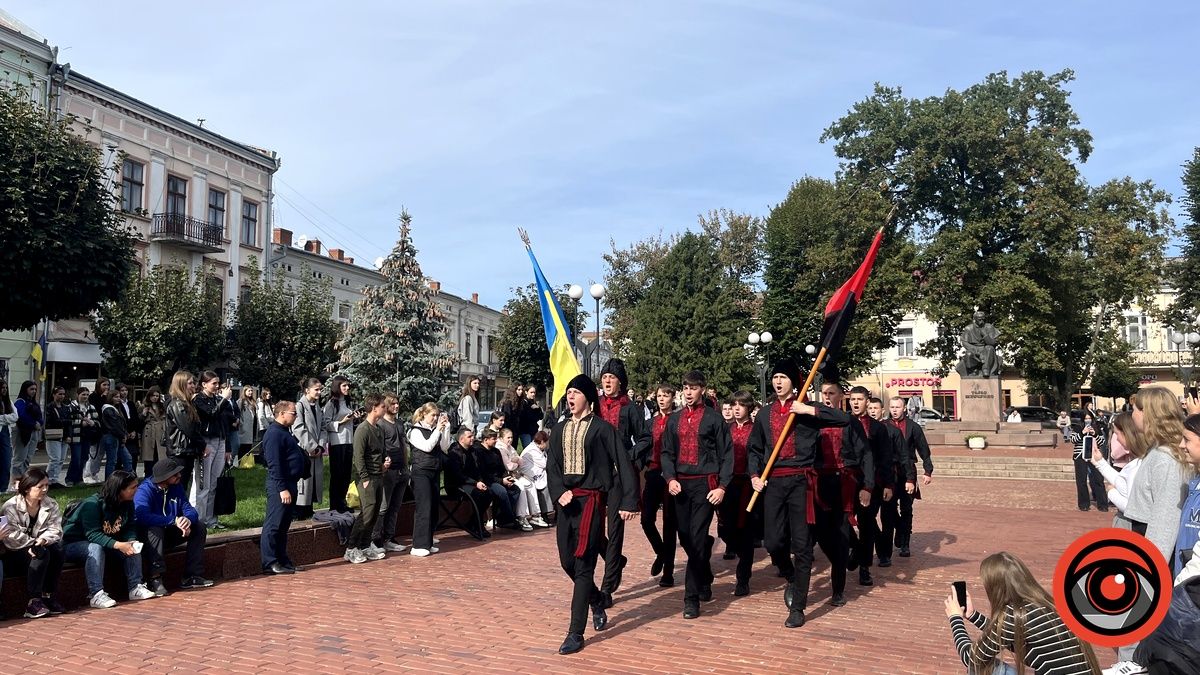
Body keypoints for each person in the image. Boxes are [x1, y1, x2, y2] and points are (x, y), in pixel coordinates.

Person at [748, 358, 852, 629]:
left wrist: (808, 410)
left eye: (783, 377)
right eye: (775, 377)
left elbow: (843, 419)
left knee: (803, 545)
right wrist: (755, 476)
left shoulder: (806, 409)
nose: (778, 381)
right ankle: (790, 575)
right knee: (773, 542)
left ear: (794, 381)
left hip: (802, 483)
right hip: (774, 483)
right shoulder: (764, 413)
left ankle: (798, 607)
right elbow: (755, 449)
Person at [547, 373, 639, 655]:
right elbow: (552, 466)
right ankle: (597, 599)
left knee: (584, 563)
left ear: (588, 397)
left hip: (591, 502)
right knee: (566, 562)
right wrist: (558, 490)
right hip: (566, 503)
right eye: (568, 393)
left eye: (575, 392)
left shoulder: (602, 429)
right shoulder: (560, 430)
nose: (570, 397)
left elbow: (623, 464)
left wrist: (629, 501)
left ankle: (575, 632)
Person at [945, 551, 1099, 674]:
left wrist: (955, 618)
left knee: (980, 669)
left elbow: (971, 658)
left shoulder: (1014, 613)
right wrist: (973, 616)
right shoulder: (1045, 603)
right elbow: (1011, 642)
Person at [661, 370, 733, 619]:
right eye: (686, 387)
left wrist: (722, 487)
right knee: (688, 538)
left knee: (696, 535)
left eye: (693, 388)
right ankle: (706, 576)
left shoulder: (714, 419)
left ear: (702, 389)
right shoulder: (674, 420)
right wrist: (670, 478)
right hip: (680, 485)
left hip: (705, 484)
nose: (688, 392)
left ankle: (691, 598)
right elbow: (666, 453)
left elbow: (726, 455)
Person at [594, 357, 652, 609]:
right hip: (595, 473)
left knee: (614, 527)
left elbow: (644, 438)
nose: (607, 380)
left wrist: (627, 456)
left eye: (612, 377)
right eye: (605, 376)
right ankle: (616, 559)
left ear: (620, 382)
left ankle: (607, 587)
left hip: (619, 473)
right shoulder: (594, 406)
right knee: (593, 527)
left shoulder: (630, 408)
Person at [813, 382, 872, 603]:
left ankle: (838, 590)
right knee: (821, 534)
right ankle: (854, 549)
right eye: (824, 393)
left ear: (841, 396)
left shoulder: (850, 423)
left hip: (845, 482)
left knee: (841, 534)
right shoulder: (814, 421)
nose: (827, 397)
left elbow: (866, 455)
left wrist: (867, 486)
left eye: (832, 393)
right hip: (819, 482)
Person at [62, 471, 155, 608]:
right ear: (119, 489)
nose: (137, 490)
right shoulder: (92, 505)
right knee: (95, 547)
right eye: (133, 487)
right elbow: (93, 535)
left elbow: (130, 526)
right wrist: (118, 545)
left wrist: (131, 540)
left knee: (133, 546)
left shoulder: (127, 503)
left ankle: (136, 587)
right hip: (74, 545)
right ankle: (96, 594)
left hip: (107, 542)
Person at [1125, 387, 1191, 571]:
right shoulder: (1158, 450)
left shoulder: (1166, 458)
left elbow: (1166, 518)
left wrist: (1150, 570)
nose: (1132, 415)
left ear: (1148, 414)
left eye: (1136, 410)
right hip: (1145, 539)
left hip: (1154, 547)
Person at [134, 458, 213, 594]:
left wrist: (187, 520)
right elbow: (142, 516)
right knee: (155, 529)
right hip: (149, 538)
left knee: (199, 527)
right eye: (175, 474)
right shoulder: (144, 491)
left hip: (170, 533)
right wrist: (173, 520)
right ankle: (155, 578)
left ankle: (192, 576)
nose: (179, 476)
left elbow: (189, 509)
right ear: (164, 477)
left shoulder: (176, 487)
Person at [1, 468, 66, 617]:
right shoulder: (10, 507)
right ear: (27, 488)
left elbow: (56, 529)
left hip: (40, 545)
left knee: (58, 550)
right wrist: (33, 544)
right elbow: (11, 536)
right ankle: (33, 602)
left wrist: (42, 540)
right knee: (41, 553)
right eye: (40, 486)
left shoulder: (51, 504)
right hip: (15, 552)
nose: (45, 490)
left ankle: (48, 596)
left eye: (47, 485)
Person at [846, 386, 892, 588]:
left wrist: (888, 484)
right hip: (847, 482)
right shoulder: (843, 423)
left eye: (859, 399)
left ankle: (864, 568)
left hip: (870, 484)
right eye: (852, 399)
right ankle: (855, 549)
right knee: (841, 521)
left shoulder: (878, 428)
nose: (855, 403)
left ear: (867, 401)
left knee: (867, 524)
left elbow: (885, 458)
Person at [260, 400, 307, 574]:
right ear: (281, 414)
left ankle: (282, 559)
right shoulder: (273, 434)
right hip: (280, 484)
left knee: (283, 525)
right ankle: (269, 562)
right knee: (274, 524)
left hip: (290, 482)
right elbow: (274, 464)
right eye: (293, 413)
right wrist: (281, 488)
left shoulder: (284, 432)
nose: (295, 416)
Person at [885, 396, 934, 557]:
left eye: (897, 407)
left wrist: (927, 471)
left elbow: (923, 450)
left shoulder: (913, 427)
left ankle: (905, 543)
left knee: (906, 509)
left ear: (904, 408)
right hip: (890, 474)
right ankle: (899, 528)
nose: (894, 410)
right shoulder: (883, 426)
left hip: (908, 474)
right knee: (889, 508)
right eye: (892, 407)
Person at [869, 396, 913, 569]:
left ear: (882, 411)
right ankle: (878, 545)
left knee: (887, 519)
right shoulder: (862, 429)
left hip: (889, 481)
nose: (872, 411)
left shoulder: (893, 431)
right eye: (870, 408)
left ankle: (885, 554)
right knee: (867, 518)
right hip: (869, 482)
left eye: (876, 408)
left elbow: (904, 456)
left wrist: (910, 478)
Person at [642, 383, 679, 588]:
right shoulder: (651, 422)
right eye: (659, 395)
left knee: (669, 523)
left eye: (666, 395)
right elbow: (644, 444)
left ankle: (668, 571)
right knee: (646, 519)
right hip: (653, 472)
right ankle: (661, 552)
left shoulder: (678, 420)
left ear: (673, 398)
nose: (662, 399)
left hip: (671, 475)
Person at [344, 393, 389, 564]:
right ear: (374, 408)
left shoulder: (378, 429)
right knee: (367, 514)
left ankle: (364, 545)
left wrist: (385, 463)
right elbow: (359, 457)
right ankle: (351, 548)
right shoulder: (363, 430)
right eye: (383, 406)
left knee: (374, 512)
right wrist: (364, 477)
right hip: (367, 478)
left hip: (378, 476)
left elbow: (379, 453)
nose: (385, 409)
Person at [1089, 412, 1149, 529]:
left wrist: (1112, 493)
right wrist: (1099, 462)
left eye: (1117, 435)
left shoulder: (1139, 465)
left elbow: (1133, 507)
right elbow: (1122, 482)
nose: (1116, 440)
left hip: (1132, 526)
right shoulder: (1136, 462)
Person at [407, 403, 450, 557]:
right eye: (433, 415)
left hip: (434, 471)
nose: (435, 419)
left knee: (433, 507)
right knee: (423, 507)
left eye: (437, 416)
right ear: (424, 414)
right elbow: (427, 447)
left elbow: (444, 446)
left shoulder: (435, 430)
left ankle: (428, 541)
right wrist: (438, 430)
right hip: (421, 472)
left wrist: (446, 428)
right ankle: (418, 545)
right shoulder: (415, 431)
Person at [373, 395, 411, 552]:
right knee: (383, 507)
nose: (396, 406)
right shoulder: (381, 424)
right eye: (393, 404)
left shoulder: (400, 424)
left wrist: (406, 465)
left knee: (395, 506)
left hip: (402, 468)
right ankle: (375, 538)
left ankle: (389, 536)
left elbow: (403, 445)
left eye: (397, 403)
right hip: (388, 470)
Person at [191, 371, 228, 530]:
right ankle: (198, 520)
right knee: (202, 484)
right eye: (214, 383)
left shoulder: (218, 399)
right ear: (204, 384)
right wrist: (224, 400)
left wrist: (229, 448)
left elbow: (224, 421)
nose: (217, 386)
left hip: (220, 440)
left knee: (214, 483)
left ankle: (211, 519)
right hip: (206, 441)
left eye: (218, 382)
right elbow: (210, 415)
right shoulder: (198, 399)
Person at [293, 377, 333, 520]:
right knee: (303, 483)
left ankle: (309, 508)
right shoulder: (300, 406)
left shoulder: (317, 407)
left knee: (314, 481)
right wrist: (311, 446)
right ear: (307, 390)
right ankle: (299, 511)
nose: (319, 393)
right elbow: (298, 428)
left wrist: (320, 446)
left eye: (320, 390)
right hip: (304, 450)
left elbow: (323, 427)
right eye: (316, 390)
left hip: (316, 451)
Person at [324, 375, 360, 514]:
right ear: (337, 386)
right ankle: (335, 504)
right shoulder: (332, 403)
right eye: (344, 386)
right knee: (337, 474)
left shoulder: (348, 402)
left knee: (346, 474)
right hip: (337, 442)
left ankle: (342, 502)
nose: (347, 388)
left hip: (348, 441)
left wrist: (354, 419)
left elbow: (350, 422)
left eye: (348, 386)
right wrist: (341, 422)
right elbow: (326, 423)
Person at [164, 371, 202, 491]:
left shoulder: (187, 403)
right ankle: (174, 510)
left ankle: (178, 509)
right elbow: (189, 429)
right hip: (179, 452)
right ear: (181, 385)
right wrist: (203, 445)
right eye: (190, 383)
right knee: (177, 487)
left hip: (186, 451)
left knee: (182, 487)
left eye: (193, 383)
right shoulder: (177, 404)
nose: (193, 386)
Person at [1175, 414, 1200, 574]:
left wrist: (1178, 590)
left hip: (1190, 590)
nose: (1181, 445)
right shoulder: (1194, 482)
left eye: (1187, 440)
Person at [1070, 411, 1109, 512]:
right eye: (1086, 419)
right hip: (1080, 456)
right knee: (1081, 481)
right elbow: (1073, 440)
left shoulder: (1096, 428)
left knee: (1098, 480)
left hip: (1094, 456)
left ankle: (1103, 504)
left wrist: (1094, 434)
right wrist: (1082, 432)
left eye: (1089, 418)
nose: (1088, 421)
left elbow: (1102, 442)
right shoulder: (1077, 427)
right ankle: (1084, 504)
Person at [517, 430, 553, 526]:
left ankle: (545, 514)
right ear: (542, 442)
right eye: (546, 442)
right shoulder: (532, 450)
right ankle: (542, 515)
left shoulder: (539, 449)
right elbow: (545, 464)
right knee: (546, 485)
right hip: (528, 475)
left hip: (536, 472)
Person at [12, 380, 43, 487]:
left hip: (34, 432)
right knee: (19, 459)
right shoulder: (20, 402)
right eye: (31, 389)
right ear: (25, 389)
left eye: (35, 389)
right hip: (23, 432)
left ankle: (23, 481)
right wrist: (33, 424)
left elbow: (40, 416)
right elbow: (20, 416)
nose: (34, 391)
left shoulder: (34, 402)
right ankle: (16, 482)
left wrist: (39, 423)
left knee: (27, 459)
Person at [99, 389, 131, 480]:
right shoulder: (108, 409)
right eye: (116, 397)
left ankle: (128, 480)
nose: (118, 399)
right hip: (112, 436)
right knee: (112, 461)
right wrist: (122, 435)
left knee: (127, 459)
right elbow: (114, 425)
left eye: (119, 397)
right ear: (110, 398)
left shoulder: (115, 409)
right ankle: (109, 482)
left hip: (117, 436)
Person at [42, 386, 70, 489]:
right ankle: (48, 480)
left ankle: (55, 479)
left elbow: (68, 422)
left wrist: (68, 435)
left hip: (64, 436)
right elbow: (52, 421)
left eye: (63, 394)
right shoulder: (49, 407)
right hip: (53, 436)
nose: (62, 396)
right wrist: (65, 421)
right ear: (54, 394)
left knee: (61, 459)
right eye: (59, 394)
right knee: (55, 458)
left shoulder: (65, 407)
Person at [139, 386, 167, 480]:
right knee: (149, 459)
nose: (155, 397)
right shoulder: (144, 406)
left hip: (160, 432)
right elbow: (139, 422)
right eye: (153, 396)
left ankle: (159, 478)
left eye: (157, 396)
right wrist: (143, 414)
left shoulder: (162, 406)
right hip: (149, 433)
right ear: (149, 396)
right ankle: (148, 478)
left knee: (160, 458)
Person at [0, 381, 16, 492]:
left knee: (6, 462)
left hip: (5, 434)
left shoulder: (8, 402)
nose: (4, 389)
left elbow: (15, 417)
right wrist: (6, 418)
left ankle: (3, 488)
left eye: (6, 387)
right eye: (2, 387)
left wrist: (2, 418)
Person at [519, 385, 545, 449]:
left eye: (534, 392)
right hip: (525, 431)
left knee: (535, 448)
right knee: (528, 449)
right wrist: (533, 411)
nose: (533, 394)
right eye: (531, 392)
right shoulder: (523, 403)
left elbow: (541, 417)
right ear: (526, 392)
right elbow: (526, 417)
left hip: (534, 430)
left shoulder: (534, 403)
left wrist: (538, 408)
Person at [237, 386, 258, 462]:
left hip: (251, 426)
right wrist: (241, 423)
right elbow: (238, 413)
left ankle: (246, 462)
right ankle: (240, 462)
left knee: (249, 445)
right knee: (243, 445)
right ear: (244, 391)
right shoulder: (241, 401)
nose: (251, 392)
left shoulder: (252, 401)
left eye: (251, 391)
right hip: (244, 427)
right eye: (249, 391)